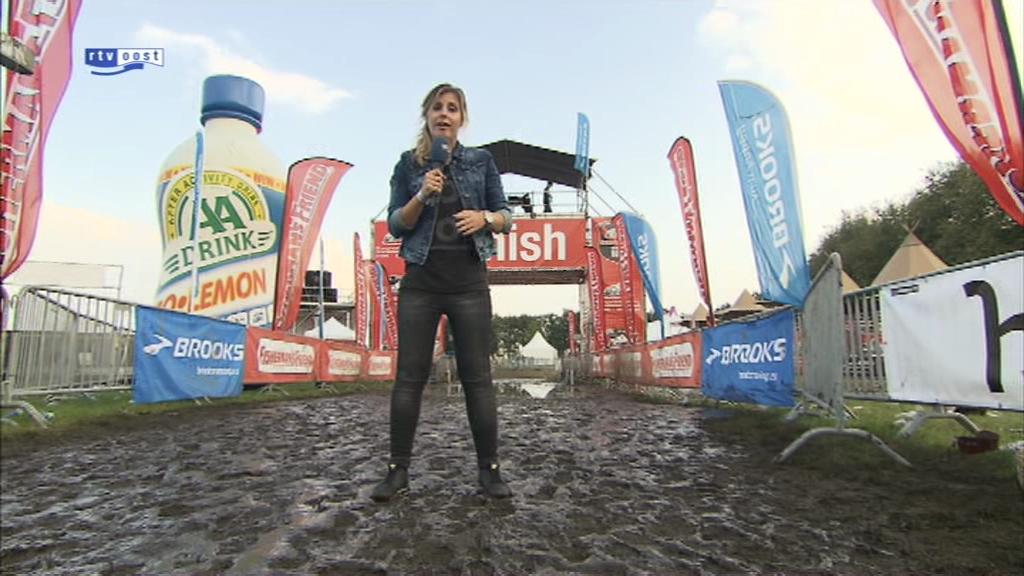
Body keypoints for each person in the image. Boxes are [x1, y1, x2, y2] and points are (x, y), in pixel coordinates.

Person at [371, 83, 513, 502]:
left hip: (469, 284)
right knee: (409, 379)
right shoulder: (408, 164)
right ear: (427, 116)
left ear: (461, 118)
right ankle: (397, 472)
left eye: (452, 108)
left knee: (478, 379)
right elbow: (396, 224)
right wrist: (421, 194)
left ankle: (489, 472)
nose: (444, 114)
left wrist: (485, 218)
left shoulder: (481, 161)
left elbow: (507, 216)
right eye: (437, 107)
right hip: (421, 284)